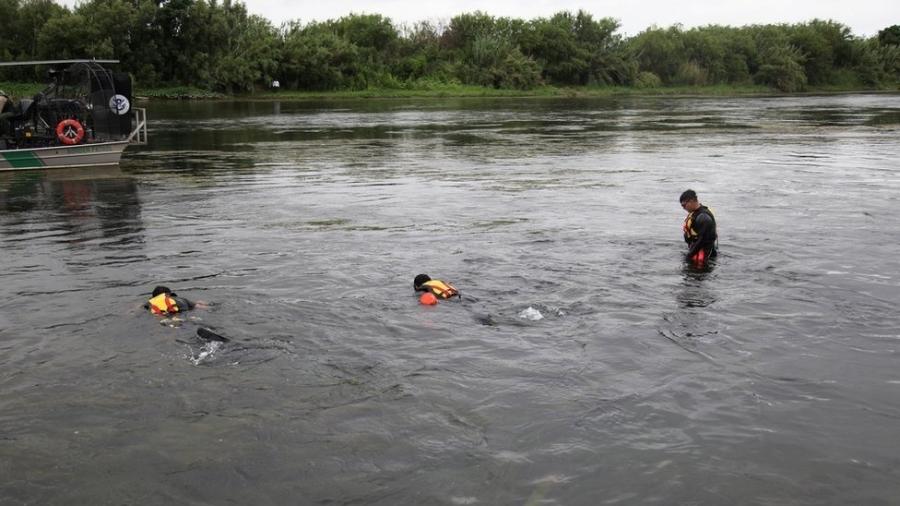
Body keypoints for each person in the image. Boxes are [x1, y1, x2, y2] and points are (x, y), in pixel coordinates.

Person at [680, 189, 717, 264]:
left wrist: (688, 256)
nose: (683, 208)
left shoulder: (703, 217)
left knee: (697, 274)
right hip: (696, 251)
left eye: (684, 205)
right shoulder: (695, 213)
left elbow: (702, 241)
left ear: (691, 201)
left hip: (703, 255)